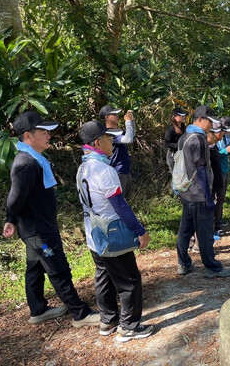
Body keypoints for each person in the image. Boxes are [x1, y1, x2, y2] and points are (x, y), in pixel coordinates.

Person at [3, 111, 99, 327]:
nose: (49, 135)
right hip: (38, 230)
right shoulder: (26, 163)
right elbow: (15, 198)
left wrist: (12, 219)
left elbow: (20, 197)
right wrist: (11, 218)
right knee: (57, 268)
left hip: (36, 227)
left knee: (35, 268)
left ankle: (38, 310)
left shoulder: (33, 158)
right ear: (28, 135)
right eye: (44, 131)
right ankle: (80, 314)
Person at [77, 120, 153, 342]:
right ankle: (129, 326)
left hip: (93, 235)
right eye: (110, 139)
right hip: (111, 235)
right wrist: (140, 230)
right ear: (98, 142)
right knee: (129, 280)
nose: (114, 142)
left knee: (104, 275)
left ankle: (108, 320)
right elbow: (120, 206)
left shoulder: (83, 166)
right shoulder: (105, 170)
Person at [176, 105, 230, 278]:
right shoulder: (199, 139)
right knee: (206, 231)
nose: (210, 126)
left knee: (185, 230)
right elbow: (201, 169)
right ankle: (213, 267)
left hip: (187, 192)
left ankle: (183, 263)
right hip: (199, 193)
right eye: (209, 122)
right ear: (200, 120)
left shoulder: (184, 137)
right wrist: (209, 198)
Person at [100, 105, 136, 199]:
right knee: (120, 202)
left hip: (125, 171)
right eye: (114, 114)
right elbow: (128, 139)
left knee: (126, 201)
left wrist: (132, 121)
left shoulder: (118, 131)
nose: (117, 116)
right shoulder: (109, 134)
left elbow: (131, 135)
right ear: (107, 117)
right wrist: (127, 122)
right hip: (117, 172)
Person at [216, 116, 230, 230]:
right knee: (218, 197)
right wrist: (225, 151)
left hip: (225, 169)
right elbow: (213, 153)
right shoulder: (214, 137)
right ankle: (216, 223)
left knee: (222, 197)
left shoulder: (225, 137)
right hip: (218, 170)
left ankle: (219, 219)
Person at [164, 106, 187, 173]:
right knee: (175, 176)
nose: (183, 117)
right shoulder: (170, 130)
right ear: (175, 117)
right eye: (180, 116)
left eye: (183, 116)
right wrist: (177, 145)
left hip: (181, 155)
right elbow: (166, 143)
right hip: (173, 155)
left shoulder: (183, 128)